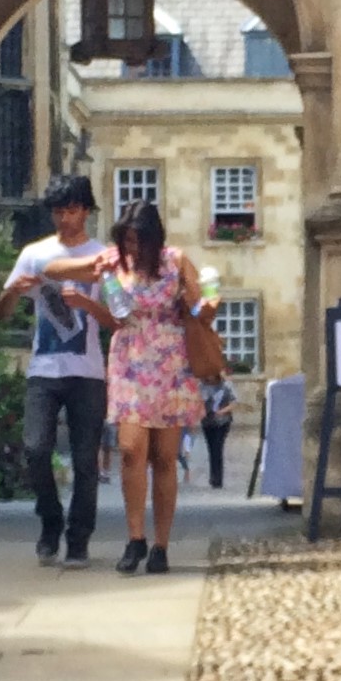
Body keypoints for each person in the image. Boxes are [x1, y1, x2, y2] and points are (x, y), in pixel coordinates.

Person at [54, 200, 210, 574]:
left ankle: (161, 545)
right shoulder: (114, 264)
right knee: (129, 449)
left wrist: (199, 299)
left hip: (172, 364)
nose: (133, 248)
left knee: (165, 459)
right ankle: (135, 537)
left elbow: (204, 306)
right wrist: (85, 297)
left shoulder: (176, 261)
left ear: (154, 238)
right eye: (127, 240)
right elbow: (55, 270)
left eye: (139, 240)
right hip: (129, 362)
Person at [0, 174, 110, 570]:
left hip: (89, 370)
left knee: (84, 461)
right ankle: (50, 520)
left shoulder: (102, 255)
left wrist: (88, 303)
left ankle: (79, 538)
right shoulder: (34, 253)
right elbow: (2, 312)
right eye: (59, 212)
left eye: (72, 210)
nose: (65, 219)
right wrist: (13, 291)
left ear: (86, 211)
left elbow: (117, 316)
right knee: (35, 447)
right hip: (44, 367)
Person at [196, 378, 239, 488]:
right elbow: (197, 401)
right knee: (211, 449)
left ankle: (217, 478)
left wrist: (222, 411)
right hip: (207, 421)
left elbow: (234, 402)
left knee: (217, 447)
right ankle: (213, 476)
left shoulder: (226, 385)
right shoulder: (202, 385)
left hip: (222, 421)